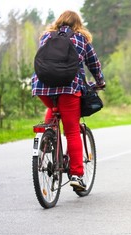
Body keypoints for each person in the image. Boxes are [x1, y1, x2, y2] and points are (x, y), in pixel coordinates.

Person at [31, 10, 105, 191]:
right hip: (69, 89)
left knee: (55, 108)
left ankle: (48, 140)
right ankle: (77, 176)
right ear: (78, 24)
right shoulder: (81, 39)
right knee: (72, 131)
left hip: (42, 88)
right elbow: (93, 64)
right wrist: (100, 82)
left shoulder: (47, 37)